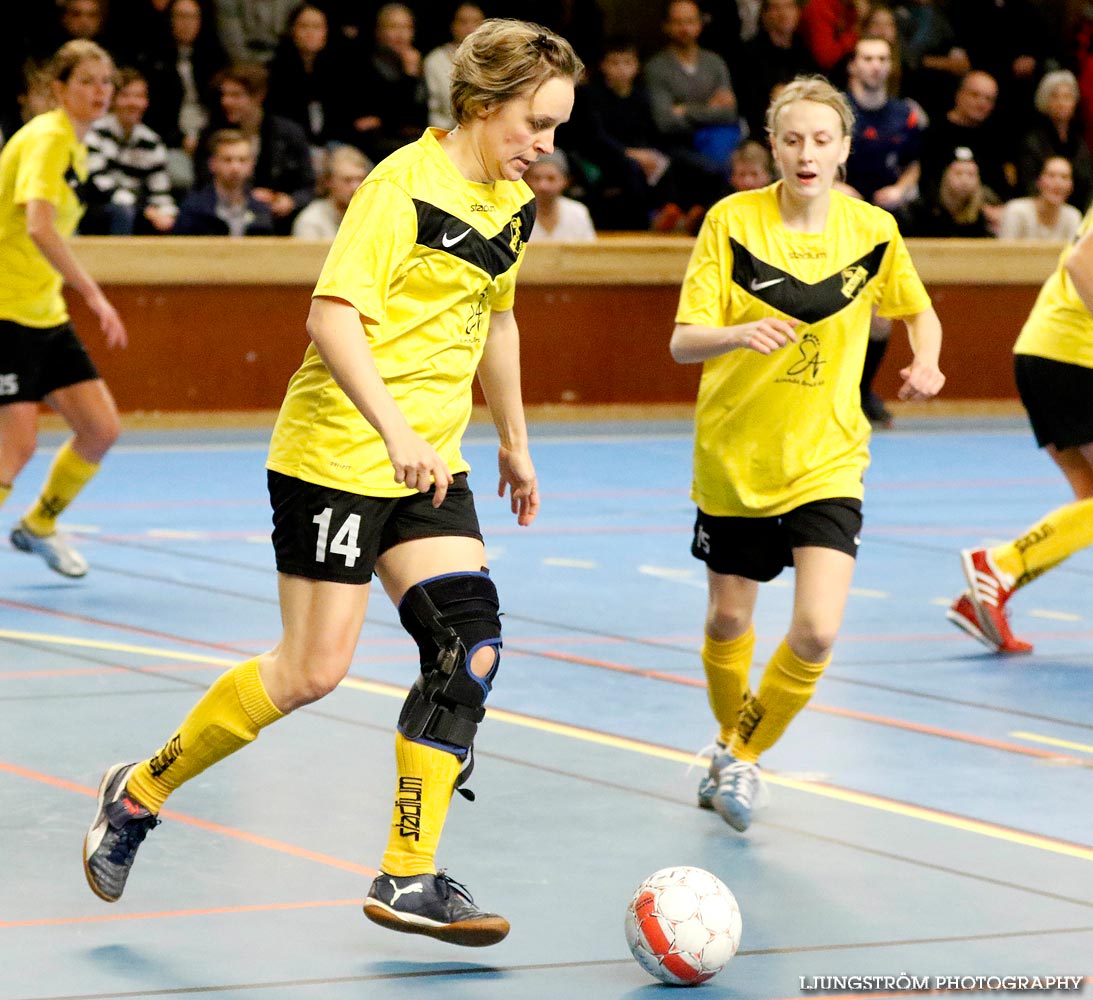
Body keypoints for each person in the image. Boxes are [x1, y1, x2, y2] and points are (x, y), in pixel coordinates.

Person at [82, 17, 582, 947]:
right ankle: (139, 792)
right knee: (312, 670)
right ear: (481, 105)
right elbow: (330, 320)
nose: (546, 148)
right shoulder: (399, 187)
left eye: (556, 127)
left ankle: (408, 875)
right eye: (535, 125)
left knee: (468, 647)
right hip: (336, 455)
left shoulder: (507, 202)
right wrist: (393, 431)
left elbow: (498, 318)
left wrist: (513, 439)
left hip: (433, 459)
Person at [669, 75, 943, 833]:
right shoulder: (730, 223)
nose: (806, 153)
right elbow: (681, 340)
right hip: (735, 458)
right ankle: (735, 753)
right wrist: (735, 333)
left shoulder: (873, 233)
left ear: (846, 149)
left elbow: (919, 314)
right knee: (728, 622)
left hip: (827, 459)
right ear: (772, 146)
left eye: (822, 140)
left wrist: (925, 360)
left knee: (817, 630)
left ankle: (739, 755)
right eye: (791, 139)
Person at [0, 40, 127, 579]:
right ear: (59, 88)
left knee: (99, 428)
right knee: (16, 446)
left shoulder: (74, 144)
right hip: (5, 309)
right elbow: (38, 226)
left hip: (42, 309)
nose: (100, 92)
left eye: (107, 83)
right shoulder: (49, 138)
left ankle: (39, 526)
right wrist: (93, 294)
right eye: (87, 82)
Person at [946, 204, 1093, 655]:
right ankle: (998, 564)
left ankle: (986, 594)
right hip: (1073, 357)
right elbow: (1080, 262)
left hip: (1046, 351)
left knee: (1089, 505)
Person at [81, 67, 178, 235]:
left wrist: (167, 213)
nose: (133, 103)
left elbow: (160, 190)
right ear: (112, 100)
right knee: (123, 211)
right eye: (126, 96)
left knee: (175, 218)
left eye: (139, 96)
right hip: (96, 206)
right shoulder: (94, 133)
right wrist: (145, 209)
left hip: (137, 208)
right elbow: (98, 183)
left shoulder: (151, 142)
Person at [173, 127, 274, 234]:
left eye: (242, 160)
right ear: (212, 164)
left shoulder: (261, 211)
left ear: (252, 165)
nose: (235, 167)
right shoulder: (193, 210)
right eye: (227, 160)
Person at [423, 3, 485, 130]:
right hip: (447, 132)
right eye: (463, 22)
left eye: (476, 22)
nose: (470, 28)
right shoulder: (435, 60)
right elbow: (433, 107)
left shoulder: (495, 58)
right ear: (453, 25)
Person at [907, 148, 995, 238]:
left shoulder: (985, 211)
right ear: (945, 176)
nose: (965, 180)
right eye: (958, 173)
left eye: (971, 174)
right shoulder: (925, 209)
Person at [290, 144, 371, 238]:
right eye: (347, 180)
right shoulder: (311, 221)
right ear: (329, 181)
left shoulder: (375, 217)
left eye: (360, 179)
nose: (355, 187)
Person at [998, 156, 1082, 243]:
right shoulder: (1016, 211)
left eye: (1064, 177)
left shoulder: (1073, 217)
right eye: (1051, 176)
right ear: (1039, 181)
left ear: (1071, 186)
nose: (1058, 183)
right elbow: (1004, 253)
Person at [523, 148, 596, 241]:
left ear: (565, 181)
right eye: (536, 178)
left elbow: (589, 252)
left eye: (551, 178)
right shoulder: (517, 214)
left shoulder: (578, 213)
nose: (543, 186)